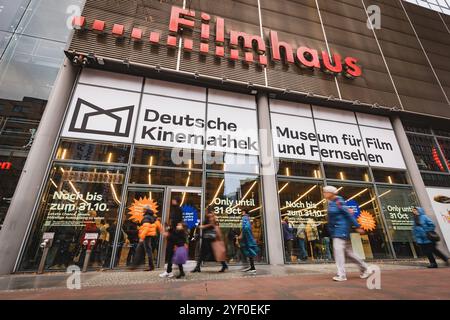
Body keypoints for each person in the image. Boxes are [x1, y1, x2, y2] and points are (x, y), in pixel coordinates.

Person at [323, 186, 371, 282]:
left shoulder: (338, 201)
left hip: (341, 230)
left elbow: (348, 214)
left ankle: (341, 275)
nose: (324, 194)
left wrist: (357, 226)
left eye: (325, 192)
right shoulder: (332, 203)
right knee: (349, 253)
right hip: (337, 231)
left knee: (338, 253)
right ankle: (365, 268)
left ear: (331, 193)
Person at [160, 198, 184, 278]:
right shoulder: (175, 210)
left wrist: (168, 232)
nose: (172, 201)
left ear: (176, 201)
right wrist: (169, 229)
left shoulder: (177, 210)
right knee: (173, 253)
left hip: (175, 236)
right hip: (174, 236)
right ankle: (170, 271)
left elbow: (176, 224)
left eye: (173, 200)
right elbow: (174, 224)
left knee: (173, 253)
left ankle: (172, 271)